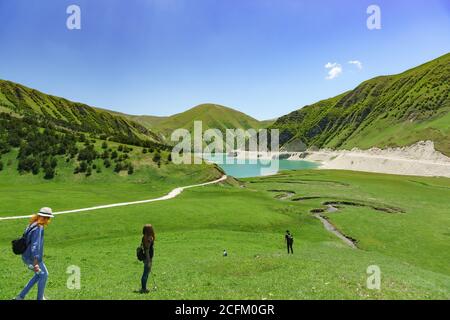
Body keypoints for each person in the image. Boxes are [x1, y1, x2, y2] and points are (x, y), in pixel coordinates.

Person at [15, 207, 54, 300]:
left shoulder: (32, 224)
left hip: (25, 256)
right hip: (32, 258)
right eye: (48, 218)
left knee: (39, 275)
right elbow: (35, 245)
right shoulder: (39, 228)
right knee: (44, 275)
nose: (48, 220)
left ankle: (20, 296)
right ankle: (40, 298)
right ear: (43, 217)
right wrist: (36, 262)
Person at [140, 224, 155, 294]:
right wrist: (148, 260)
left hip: (146, 257)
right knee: (146, 273)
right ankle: (143, 288)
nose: (152, 229)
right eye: (151, 228)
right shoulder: (149, 238)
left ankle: (144, 287)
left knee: (146, 272)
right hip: (147, 258)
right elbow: (147, 249)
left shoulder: (144, 237)